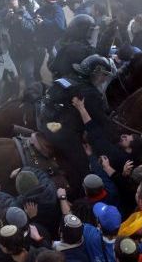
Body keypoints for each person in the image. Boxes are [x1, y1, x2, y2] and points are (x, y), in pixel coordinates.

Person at [38, 54, 116, 198]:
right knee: (83, 165)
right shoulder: (89, 93)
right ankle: (81, 195)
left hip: (43, 123)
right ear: (94, 73)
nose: (105, 79)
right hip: (60, 134)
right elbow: (101, 121)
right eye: (103, 75)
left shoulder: (68, 78)